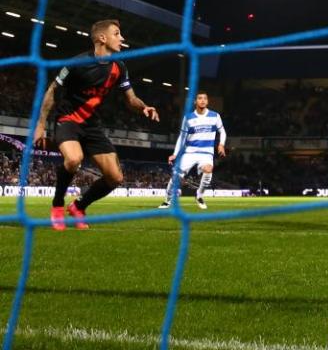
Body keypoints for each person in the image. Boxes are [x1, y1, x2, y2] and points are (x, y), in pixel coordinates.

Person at [33, 19, 159, 230]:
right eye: (117, 34)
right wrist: (40, 125)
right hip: (69, 120)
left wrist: (143, 107)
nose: (122, 38)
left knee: (115, 177)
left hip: (93, 125)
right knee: (74, 159)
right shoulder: (77, 63)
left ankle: (79, 207)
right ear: (102, 38)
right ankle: (57, 205)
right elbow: (52, 91)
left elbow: (131, 98)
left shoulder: (119, 66)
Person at [159, 91, 227, 210]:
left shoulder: (215, 116)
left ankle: (199, 196)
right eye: (200, 98)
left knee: (208, 169)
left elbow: (222, 132)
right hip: (189, 152)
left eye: (205, 98)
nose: (202, 100)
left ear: (207, 101)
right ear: (195, 101)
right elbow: (182, 137)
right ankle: (167, 200)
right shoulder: (188, 118)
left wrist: (221, 144)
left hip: (206, 152)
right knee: (176, 177)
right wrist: (175, 154)